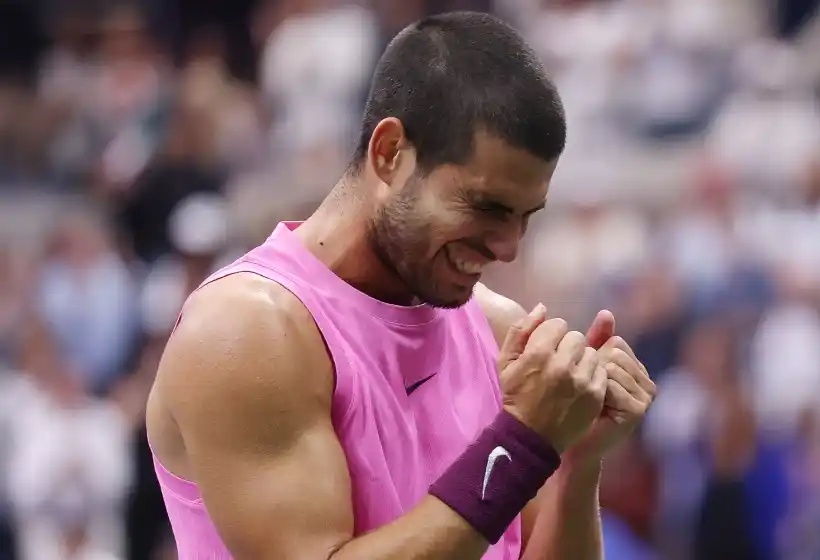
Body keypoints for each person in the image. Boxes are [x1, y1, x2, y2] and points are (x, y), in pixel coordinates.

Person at [146, 11, 657, 560]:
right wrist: (525, 443)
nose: (509, 246)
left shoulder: (497, 327)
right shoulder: (247, 332)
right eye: (486, 207)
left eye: (525, 215)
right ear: (390, 153)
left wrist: (577, 465)